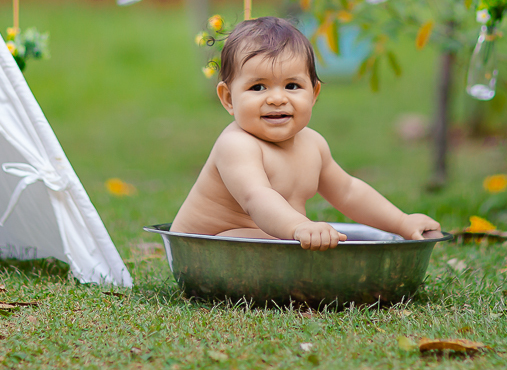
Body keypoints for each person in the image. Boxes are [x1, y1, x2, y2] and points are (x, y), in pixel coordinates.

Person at [171, 17, 441, 249]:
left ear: (314, 93)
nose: (277, 99)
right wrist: (298, 226)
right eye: (258, 87)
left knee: (298, 245)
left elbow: (348, 191)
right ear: (228, 98)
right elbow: (257, 197)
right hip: (208, 243)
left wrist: (402, 222)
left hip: (274, 234)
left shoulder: (313, 144)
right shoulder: (236, 145)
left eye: (292, 85)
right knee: (283, 245)